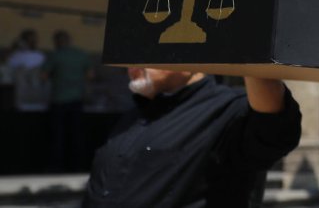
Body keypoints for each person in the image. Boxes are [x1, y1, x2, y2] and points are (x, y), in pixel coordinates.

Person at [83, 69, 301, 207]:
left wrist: (252, 59)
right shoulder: (134, 116)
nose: (133, 64)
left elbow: (273, 129)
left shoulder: (229, 109)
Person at [41, 30, 92, 171]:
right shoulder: (81, 55)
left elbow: (43, 76)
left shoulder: (55, 55)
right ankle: (78, 166)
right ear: (69, 40)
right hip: (77, 100)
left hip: (59, 99)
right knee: (77, 135)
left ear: (57, 42)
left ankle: (56, 167)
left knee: (57, 136)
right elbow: (90, 75)